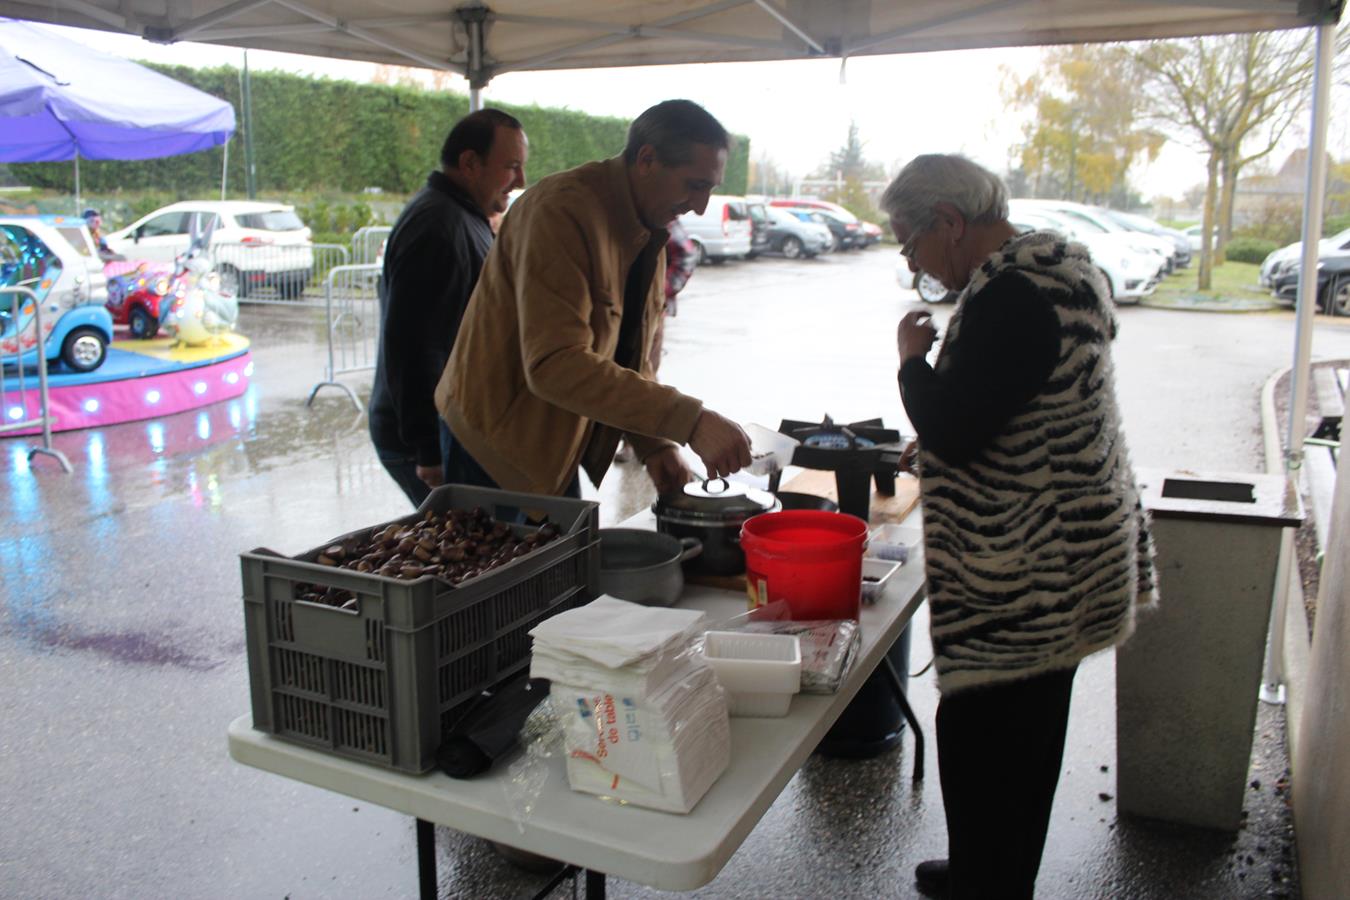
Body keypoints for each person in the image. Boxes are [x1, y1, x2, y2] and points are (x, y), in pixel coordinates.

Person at [883, 154, 1158, 900]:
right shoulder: (1056, 271)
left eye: (911, 246)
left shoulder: (1010, 294)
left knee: (986, 745)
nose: (916, 266)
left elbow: (956, 428)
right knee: (1024, 742)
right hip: (1069, 549)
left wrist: (913, 364)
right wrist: (951, 413)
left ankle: (990, 885)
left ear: (949, 222)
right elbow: (1015, 404)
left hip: (1029, 565)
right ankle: (988, 870)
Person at [433, 99, 752, 498]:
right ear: (647, 159)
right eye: (694, 184)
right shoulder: (561, 212)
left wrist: (655, 443)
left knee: (564, 556)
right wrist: (691, 421)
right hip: (491, 447)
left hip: (553, 438)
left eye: (711, 188)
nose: (701, 205)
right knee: (519, 561)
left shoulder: (649, 227)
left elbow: (629, 357)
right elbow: (555, 363)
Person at [367, 109, 527, 507]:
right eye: (511, 167)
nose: (521, 182)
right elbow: (413, 344)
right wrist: (428, 449)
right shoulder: (438, 228)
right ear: (470, 164)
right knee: (466, 557)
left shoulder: (461, 217)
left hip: (450, 430)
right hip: (429, 438)